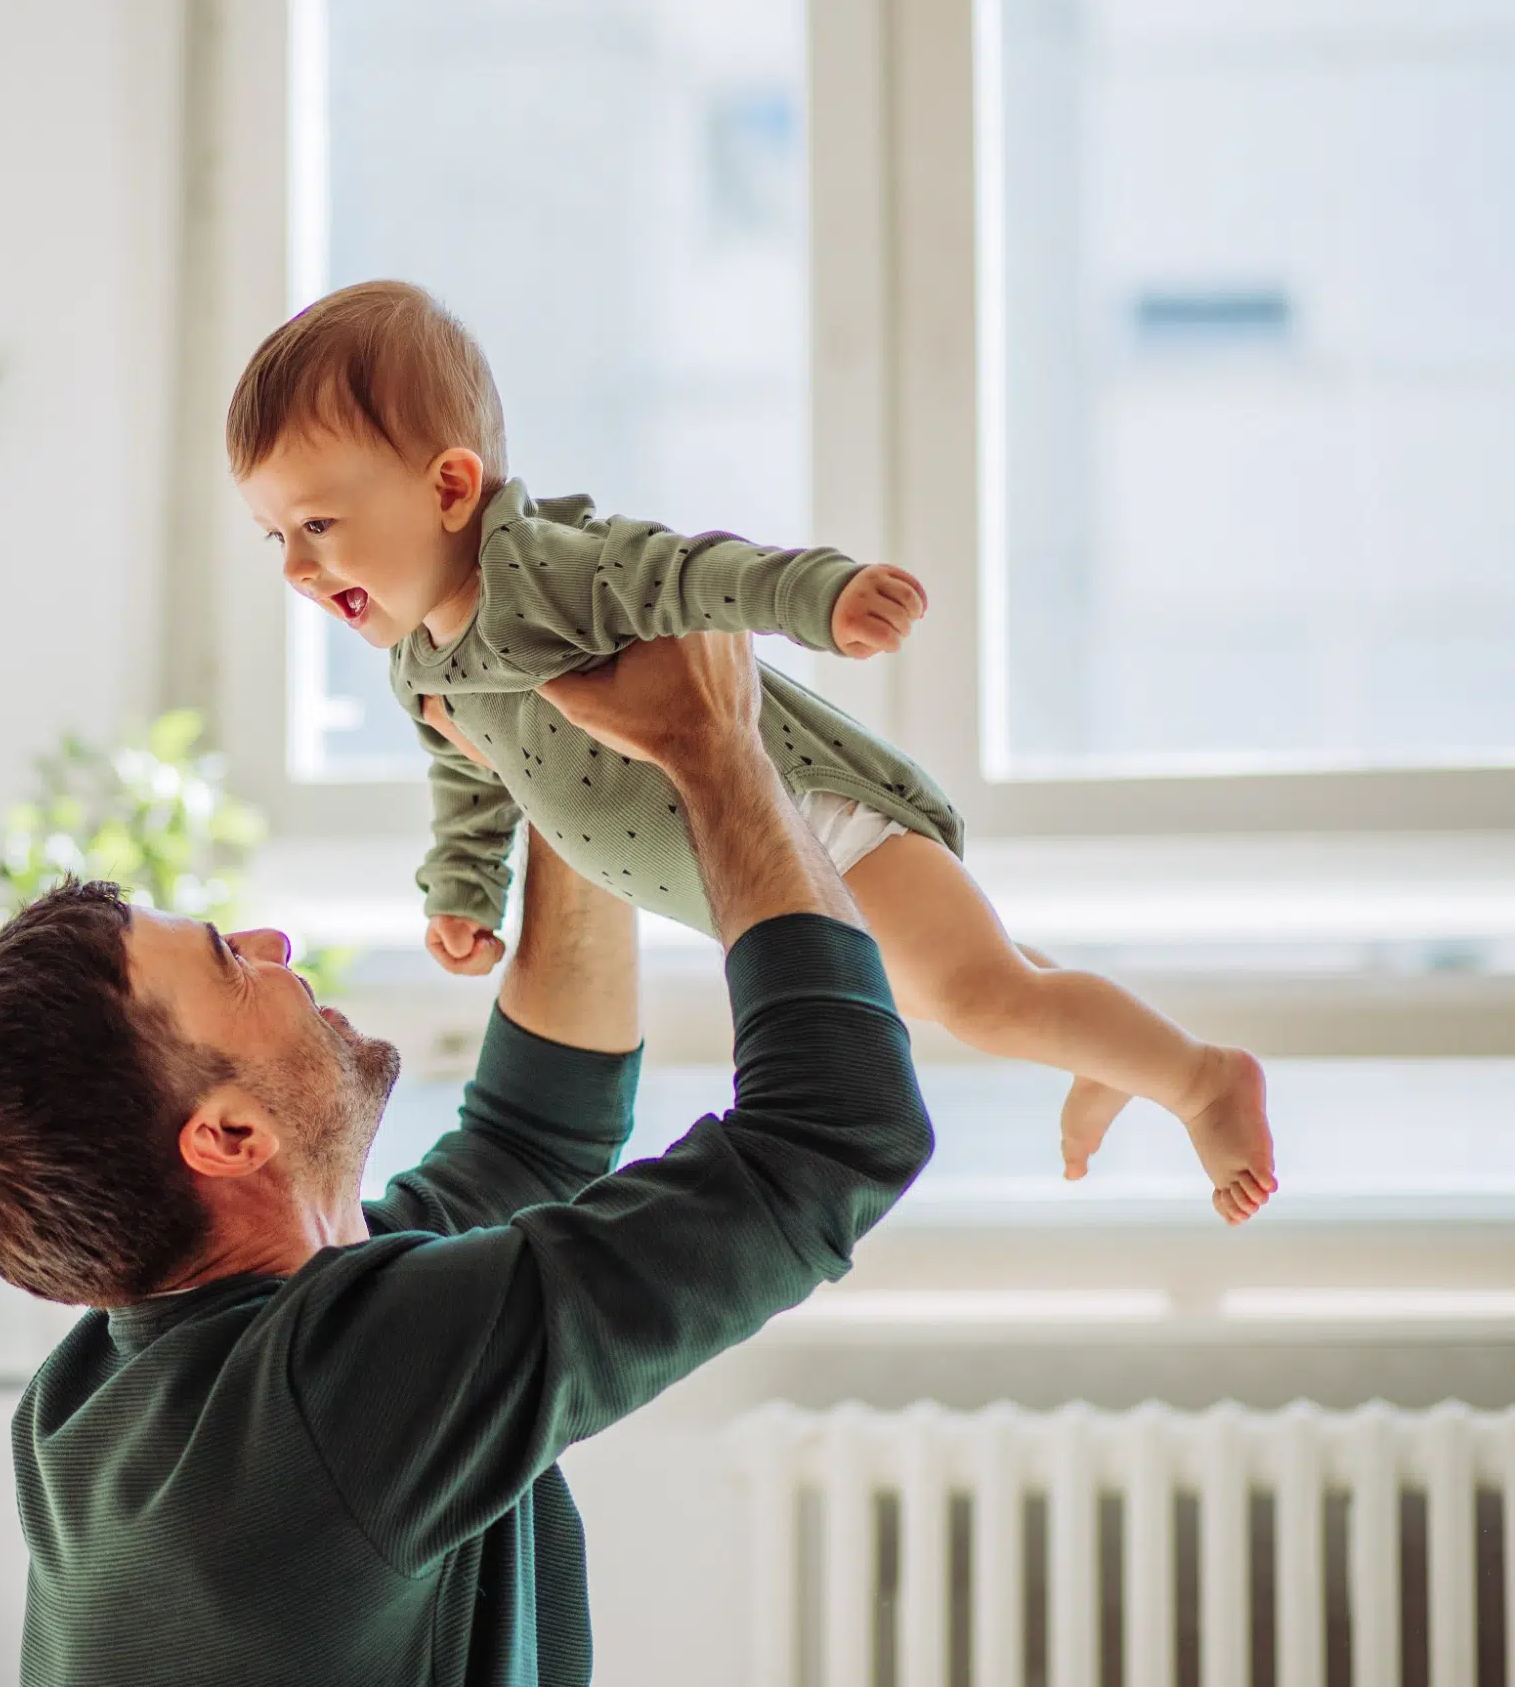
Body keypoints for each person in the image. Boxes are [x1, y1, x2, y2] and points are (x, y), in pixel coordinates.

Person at [0, 628, 932, 1687]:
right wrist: (715, 751)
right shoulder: (328, 1391)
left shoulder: (107, 1385)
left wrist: (566, 772)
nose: (272, 944)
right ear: (225, 1136)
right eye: (226, 960)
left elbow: (533, 1139)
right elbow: (836, 1133)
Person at [225, 278, 1274, 1223]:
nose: (298, 569)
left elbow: (690, 574)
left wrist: (822, 597)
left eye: (319, 523)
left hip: (810, 819)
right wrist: (463, 883)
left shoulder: (544, 568)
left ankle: (1198, 1078)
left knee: (975, 996)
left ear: (451, 488)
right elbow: (468, 773)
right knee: (973, 988)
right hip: (750, 875)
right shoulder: (417, 659)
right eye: (277, 537)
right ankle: (1100, 1049)